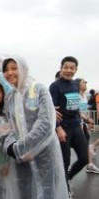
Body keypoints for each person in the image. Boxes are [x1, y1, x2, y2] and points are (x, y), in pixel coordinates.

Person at [2, 56, 67, 199]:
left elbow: (45, 124)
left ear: (24, 69)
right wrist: (11, 146)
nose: (10, 72)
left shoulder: (39, 89)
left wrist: (22, 148)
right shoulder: (10, 97)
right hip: (22, 160)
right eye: (6, 70)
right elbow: (11, 126)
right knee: (26, 191)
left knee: (47, 190)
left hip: (44, 154)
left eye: (14, 68)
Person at [49, 56, 88, 198]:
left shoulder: (76, 85)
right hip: (63, 127)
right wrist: (57, 128)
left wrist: (83, 119)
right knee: (64, 162)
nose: (69, 70)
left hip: (76, 126)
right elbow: (50, 109)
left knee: (85, 158)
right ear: (61, 68)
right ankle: (65, 190)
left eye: (72, 68)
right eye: (66, 67)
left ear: (76, 70)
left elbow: (75, 105)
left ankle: (68, 177)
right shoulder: (55, 86)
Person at [76, 78, 99, 173]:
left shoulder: (84, 96)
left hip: (83, 124)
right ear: (78, 84)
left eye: (86, 81)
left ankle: (89, 164)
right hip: (76, 125)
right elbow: (74, 111)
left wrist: (88, 121)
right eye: (83, 82)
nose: (86, 83)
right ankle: (65, 165)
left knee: (85, 142)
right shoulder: (76, 96)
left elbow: (84, 111)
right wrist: (86, 119)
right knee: (70, 145)